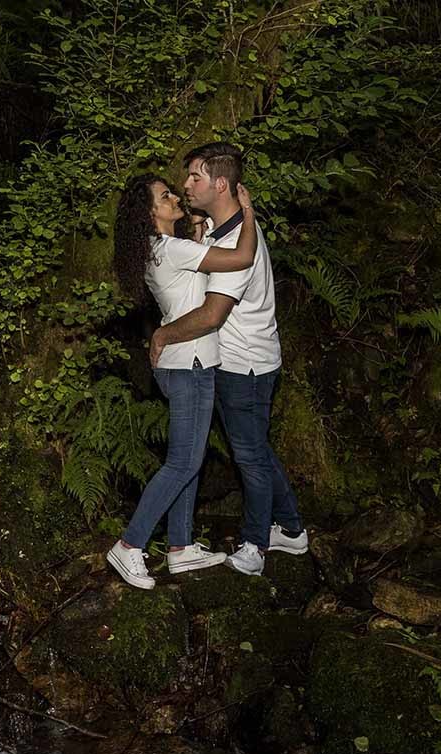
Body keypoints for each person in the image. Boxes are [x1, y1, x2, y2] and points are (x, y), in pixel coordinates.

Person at [149, 142, 308, 577]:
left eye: (195, 177)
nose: (186, 186)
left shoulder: (238, 238)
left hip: (245, 365)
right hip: (243, 361)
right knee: (256, 447)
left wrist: (163, 335)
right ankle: (291, 529)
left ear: (221, 184)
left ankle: (256, 545)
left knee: (249, 457)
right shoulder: (221, 233)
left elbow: (212, 314)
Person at [105, 173, 258, 590]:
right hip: (187, 363)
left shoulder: (162, 249)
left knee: (189, 457)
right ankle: (129, 544)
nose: (175, 197)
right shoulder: (171, 249)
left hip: (187, 363)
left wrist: (195, 232)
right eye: (164, 196)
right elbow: (242, 258)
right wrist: (248, 212)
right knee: (183, 461)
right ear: (150, 212)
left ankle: (181, 547)